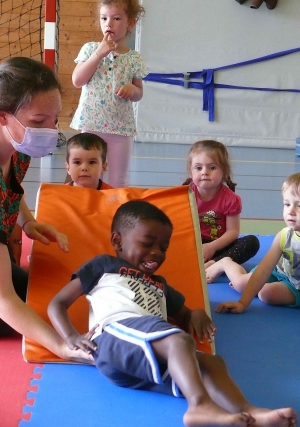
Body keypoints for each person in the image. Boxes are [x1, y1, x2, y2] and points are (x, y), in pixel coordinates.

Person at [48, 200, 297, 427]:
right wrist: (70, 337)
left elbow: (184, 314)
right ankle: (199, 406)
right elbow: (57, 303)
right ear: (117, 240)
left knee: (212, 363)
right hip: (115, 335)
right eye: (147, 243)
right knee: (178, 340)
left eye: (163, 247)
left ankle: (249, 413)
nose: (156, 252)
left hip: (143, 360)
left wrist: (196, 314)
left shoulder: (159, 284)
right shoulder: (104, 265)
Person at [0, 56, 93, 363]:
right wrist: (62, 346)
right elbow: (3, 300)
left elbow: (11, 187)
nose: (49, 130)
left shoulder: (18, 149)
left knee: (44, 295)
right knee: (21, 313)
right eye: (38, 121)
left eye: (54, 119)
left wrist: (27, 222)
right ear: (3, 117)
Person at [69, 0, 148, 188]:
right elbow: (78, 80)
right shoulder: (90, 49)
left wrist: (133, 89)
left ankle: (116, 215)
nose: (108, 24)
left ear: (130, 23)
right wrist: (98, 54)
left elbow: (139, 93)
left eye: (116, 18)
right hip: (92, 124)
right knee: (87, 177)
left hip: (120, 129)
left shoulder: (134, 58)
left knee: (118, 180)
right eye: (104, 18)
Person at [216, 172, 300, 314]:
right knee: (241, 283)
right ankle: (225, 263)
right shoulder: (284, 236)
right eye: (287, 204)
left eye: (299, 206)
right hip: (280, 272)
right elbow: (263, 270)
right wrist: (242, 303)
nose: (290, 211)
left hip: (296, 287)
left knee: (266, 293)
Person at [183, 140, 260, 283]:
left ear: (224, 171)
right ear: (190, 171)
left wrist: (212, 247)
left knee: (252, 242)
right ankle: (195, 261)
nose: (205, 172)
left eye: (212, 167)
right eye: (198, 168)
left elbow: (232, 232)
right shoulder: (184, 195)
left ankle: (215, 264)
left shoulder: (230, 199)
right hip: (192, 245)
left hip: (219, 246)